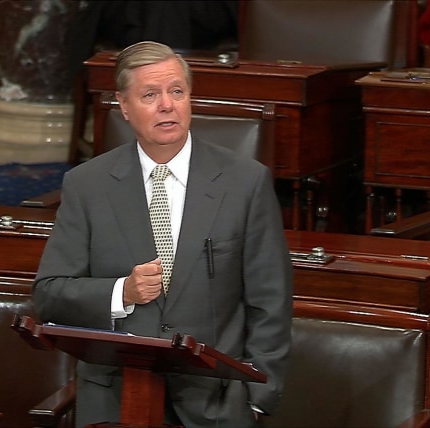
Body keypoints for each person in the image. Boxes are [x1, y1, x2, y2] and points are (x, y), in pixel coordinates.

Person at [32, 40, 292, 428]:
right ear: (124, 106)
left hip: (216, 402)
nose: (167, 105)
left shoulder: (245, 182)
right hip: (117, 399)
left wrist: (257, 398)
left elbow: (270, 299)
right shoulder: (87, 185)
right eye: (150, 95)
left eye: (177, 91)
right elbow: (49, 294)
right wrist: (123, 292)